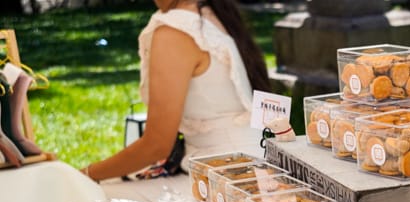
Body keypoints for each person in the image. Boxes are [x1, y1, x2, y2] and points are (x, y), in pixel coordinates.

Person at [80, 0, 271, 189]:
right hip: (253, 163)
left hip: (229, 179)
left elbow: (156, 145)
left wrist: (86, 173)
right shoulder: (210, 13)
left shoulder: (176, 31)